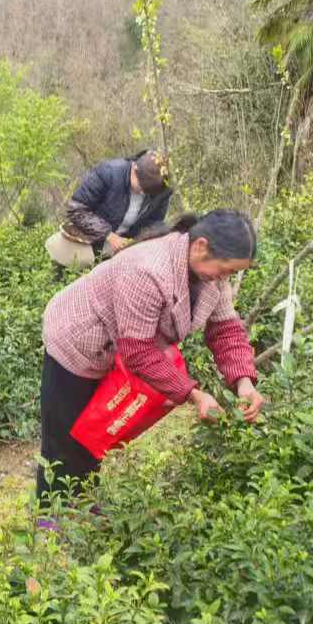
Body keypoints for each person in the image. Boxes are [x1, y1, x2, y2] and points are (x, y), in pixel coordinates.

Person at [36, 209, 265, 510]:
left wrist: (244, 383)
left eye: (231, 274)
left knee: (97, 432)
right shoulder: (146, 270)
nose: (225, 279)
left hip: (116, 348)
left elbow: (225, 329)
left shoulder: (211, 279)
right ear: (201, 246)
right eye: (224, 270)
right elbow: (139, 352)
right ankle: (49, 518)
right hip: (76, 338)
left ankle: (83, 507)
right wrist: (194, 394)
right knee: (65, 436)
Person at [45, 149, 173, 271]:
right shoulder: (109, 172)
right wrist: (109, 235)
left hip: (124, 248)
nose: (141, 192)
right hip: (91, 240)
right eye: (140, 185)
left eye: (147, 191)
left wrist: (136, 244)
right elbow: (76, 209)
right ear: (134, 167)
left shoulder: (161, 190)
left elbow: (154, 223)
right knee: (64, 258)